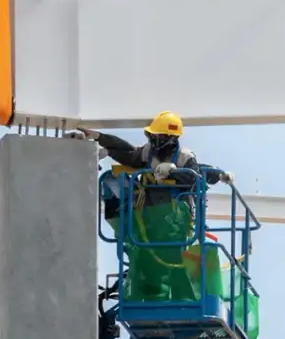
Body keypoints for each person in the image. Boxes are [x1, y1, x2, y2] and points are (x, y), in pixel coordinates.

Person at [69, 111, 233, 301]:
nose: (153, 140)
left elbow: (194, 179)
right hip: (150, 219)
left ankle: (183, 299)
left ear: (170, 138)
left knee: (172, 259)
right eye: (151, 136)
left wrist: (174, 172)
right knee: (143, 252)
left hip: (175, 217)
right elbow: (129, 152)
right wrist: (100, 139)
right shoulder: (149, 153)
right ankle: (147, 293)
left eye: (156, 137)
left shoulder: (184, 157)